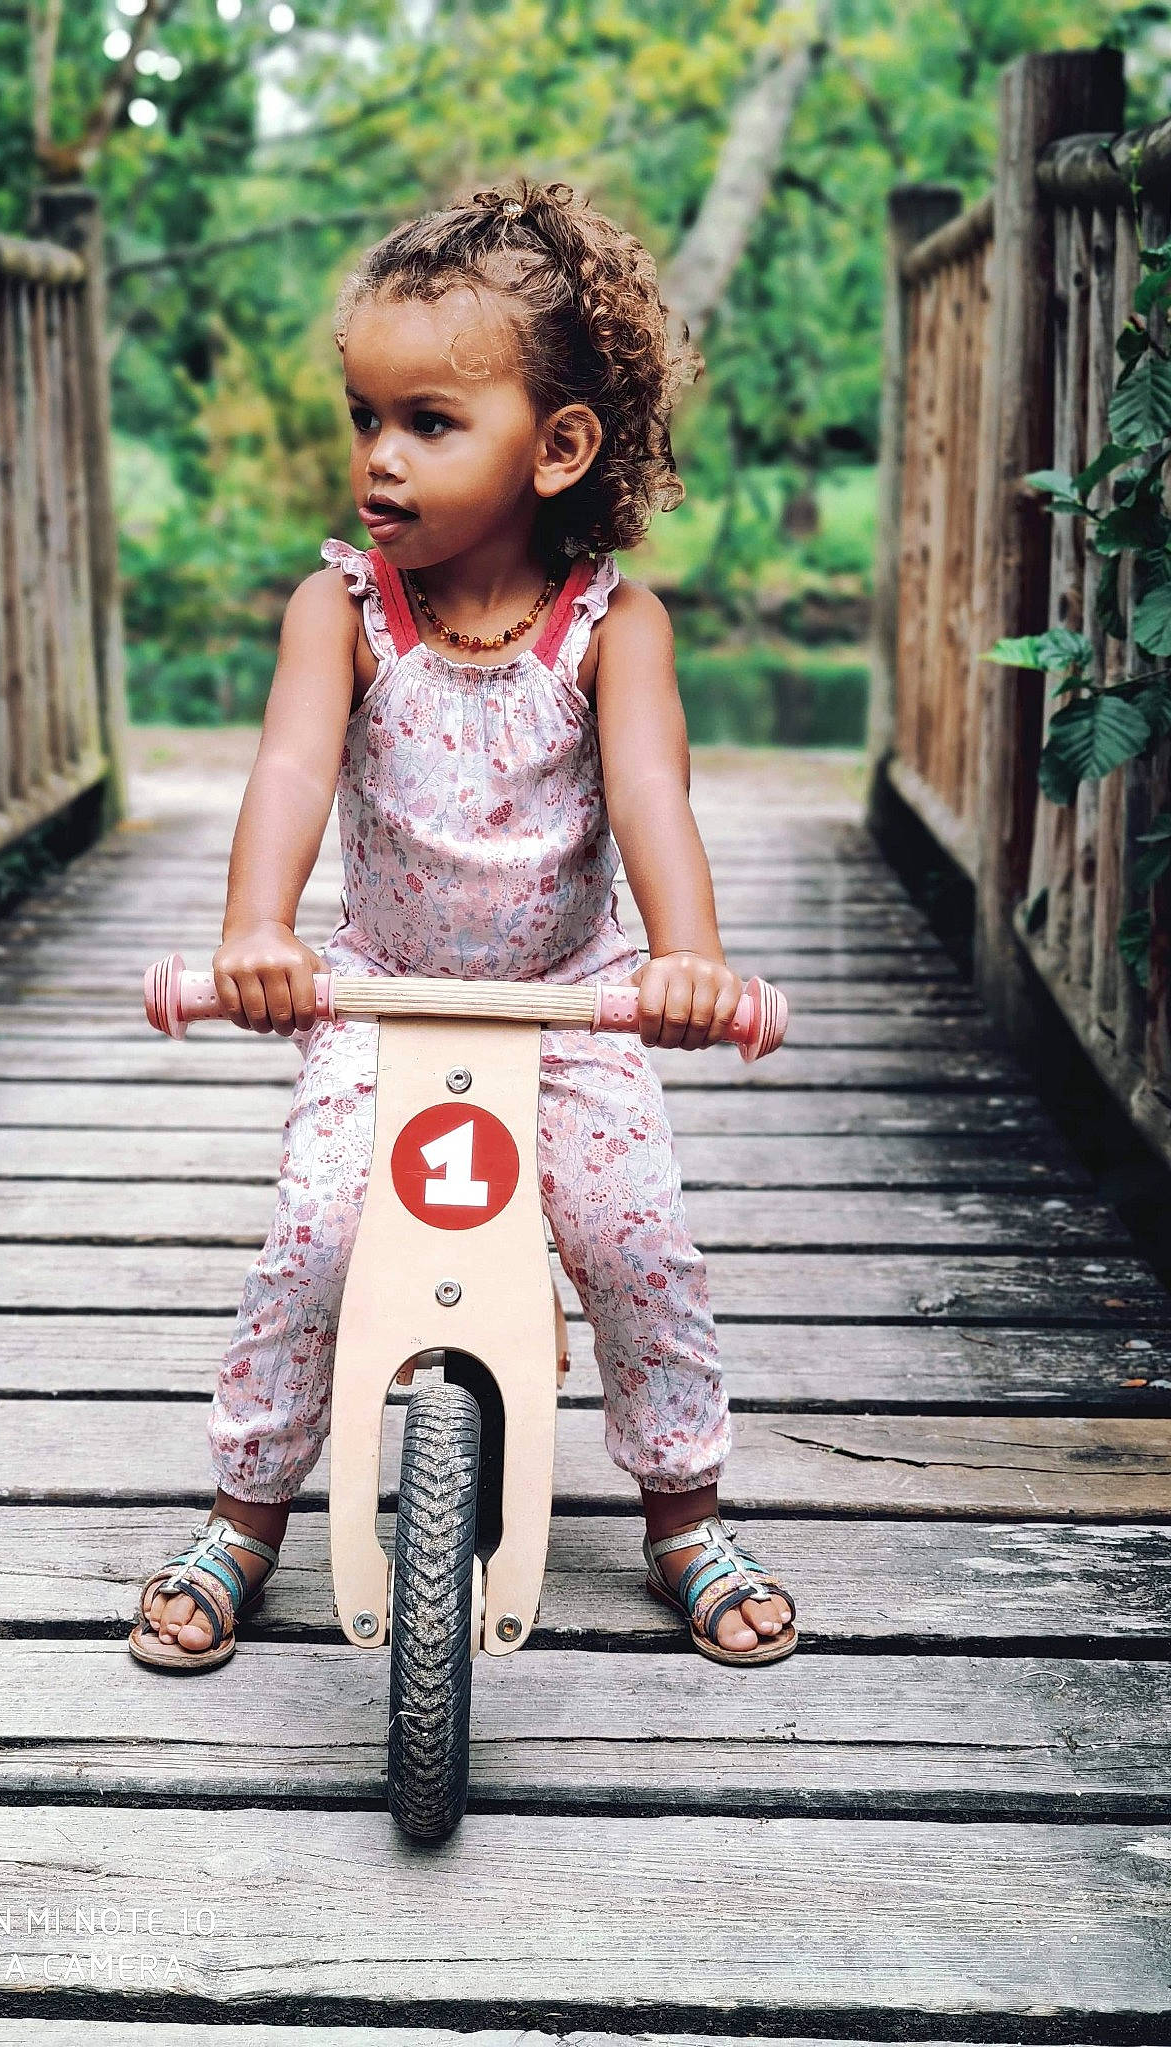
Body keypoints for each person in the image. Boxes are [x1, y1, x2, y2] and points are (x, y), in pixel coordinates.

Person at [129, 179, 797, 1678]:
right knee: (312, 1237)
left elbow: (648, 796)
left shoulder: (614, 628)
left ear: (556, 448)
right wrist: (259, 929)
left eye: (429, 422)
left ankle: (683, 1512)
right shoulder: (347, 611)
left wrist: (686, 959)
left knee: (635, 1242)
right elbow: (294, 769)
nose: (379, 456)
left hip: (573, 995)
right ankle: (247, 1512)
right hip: (375, 990)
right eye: (366, 415)